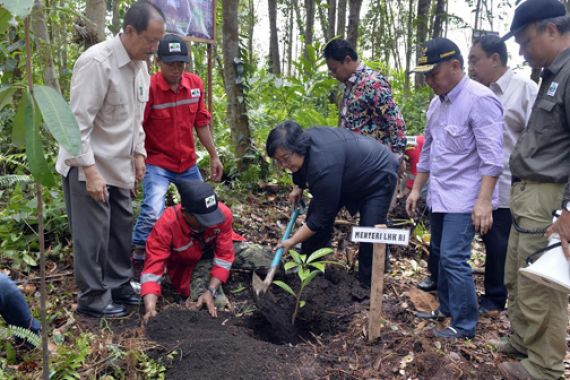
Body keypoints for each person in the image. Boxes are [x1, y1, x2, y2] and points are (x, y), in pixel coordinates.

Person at [56, 1, 165, 318]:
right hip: (86, 163)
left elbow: (135, 118)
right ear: (129, 31)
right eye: (150, 40)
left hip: (119, 162)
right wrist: (89, 171)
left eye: (158, 41)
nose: (154, 48)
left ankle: (118, 284)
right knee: (93, 236)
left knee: (120, 227)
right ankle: (92, 297)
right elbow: (76, 125)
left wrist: (139, 153)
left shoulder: (140, 65)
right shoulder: (96, 63)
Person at [406, 37, 504, 339]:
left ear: (455, 66)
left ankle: (464, 323)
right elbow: (428, 151)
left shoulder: (480, 99)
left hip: (466, 198)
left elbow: (492, 158)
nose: (428, 82)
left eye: (432, 74)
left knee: (452, 257)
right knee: (438, 254)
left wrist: (484, 201)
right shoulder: (436, 105)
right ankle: (446, 308)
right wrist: (416, 189)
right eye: (424, 76)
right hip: (440, 194)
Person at [497, 0, 570, 378]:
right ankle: (523, 342)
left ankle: (544, 366)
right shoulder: (552, 73)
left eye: (526, 43)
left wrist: (568, 213)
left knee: (544, 282)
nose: (522, 54)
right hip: (528, 194)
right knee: (519, 272)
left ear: (551, 30)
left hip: (549, 196)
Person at [131, 33, 223, 276]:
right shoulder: (148, 88)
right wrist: (134, 161)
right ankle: (140, 252)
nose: (176, 68)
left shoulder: (194, 85)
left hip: (187, 162)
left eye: (180, 63)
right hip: (158, 162)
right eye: (171, 63)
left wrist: (214, 155)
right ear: (158, 62)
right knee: (152, 209)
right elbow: (137, 127)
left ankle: (197, 249)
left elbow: (201, 122)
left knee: (203, 206)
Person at [265, 121, 399, 288]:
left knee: (369, 231)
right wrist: (298, 187)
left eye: (285, 158)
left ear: (299, 146)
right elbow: (299, 170)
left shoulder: (323, 165)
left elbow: (321, 217)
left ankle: (367, 287)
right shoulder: (305, 147)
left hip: (377, 174)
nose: (283, 165)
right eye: (278, 161)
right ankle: (307, 268)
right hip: (345, 176)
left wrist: (291, 241)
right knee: (316, 215)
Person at [467, 34, 538, 316]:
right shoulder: (473, 91)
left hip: (510, 183)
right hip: (477, 182)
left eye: (475, 60)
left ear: (495, 59)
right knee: (484, 240)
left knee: (500, 244)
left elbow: (536, 138)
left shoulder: (524, 90)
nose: (471, 67)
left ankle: (496, 299)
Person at [141, 180, 273, 322]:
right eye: (203, 219)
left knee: (269, 260)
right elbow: (152, 270)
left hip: (220, 248)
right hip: (191, 266)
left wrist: (212, 289)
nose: (210, 223)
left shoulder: (222, 214)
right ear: (186, 213)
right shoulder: (166, 225)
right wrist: (150, 309)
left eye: (212, 217)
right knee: (214, 307)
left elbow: (224, 255)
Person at [323, 39, 407, 157]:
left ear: (347, 60)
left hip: (375, 161)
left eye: (334, 70)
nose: (333, 75)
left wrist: (397, 156)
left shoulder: (372, 83)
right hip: (357, 162)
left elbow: (395, 121)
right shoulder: (350, 84)